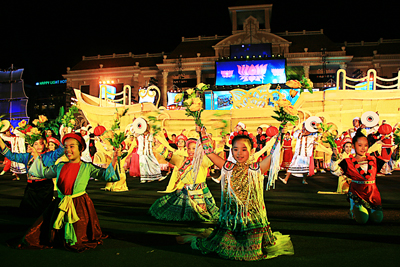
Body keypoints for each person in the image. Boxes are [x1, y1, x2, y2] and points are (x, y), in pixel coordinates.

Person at [183, 126, 294, 261]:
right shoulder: (227, 167)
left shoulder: (256, 169)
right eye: (235, 149)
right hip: (232, 216)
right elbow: (209, 152)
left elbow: (273, 154)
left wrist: (280, 135)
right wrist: (202, 134)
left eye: (243, 149)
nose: (239, 153)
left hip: (252, 217)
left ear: (252, 151)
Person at [18, 133, 120, 252]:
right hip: (61, 204)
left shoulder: (87, 167)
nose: (68, 150)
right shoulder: (60, 166)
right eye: (66, 147)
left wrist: (114, 160)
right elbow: (43, 172)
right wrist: (35, 155)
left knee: (79, 235)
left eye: (72, 146)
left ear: (80, 148)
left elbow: (106, 175)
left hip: (80, 205)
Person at [149, 136, 219, 222]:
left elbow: (211, 159)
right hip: (189, 192)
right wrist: (159, 146)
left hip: (203, 191)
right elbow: (169, 155)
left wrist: (208, 145)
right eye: (189, 148)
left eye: (194, 148)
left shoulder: (202, 160)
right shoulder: (181, 160)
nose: (191, 151)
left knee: (205, 214)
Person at [0, 134, 64, 216]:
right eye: (36, 144)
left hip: (45, 188)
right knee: (26, 213)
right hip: (31, 188)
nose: (38, 146)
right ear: (31, 145)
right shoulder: (27, 157)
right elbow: (11, 156)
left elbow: (62, 150)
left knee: (43, 214)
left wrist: (63, 133)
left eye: (41, 143)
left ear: (45, 144)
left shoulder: (50, 155)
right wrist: (1, 142)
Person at [330, 128, 385, 224]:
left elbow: (387, 168)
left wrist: (395, 156)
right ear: (354, 146)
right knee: (362, 220)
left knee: (377, 219)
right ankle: (355, 210)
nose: (363, 148)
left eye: (365, 145)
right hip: (357, 194)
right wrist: (334, 159)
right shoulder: (348, 162)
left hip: (373, 194)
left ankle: (367, 210)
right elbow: (336, 171)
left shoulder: (374, 160)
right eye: (360, 145)